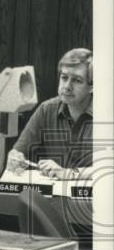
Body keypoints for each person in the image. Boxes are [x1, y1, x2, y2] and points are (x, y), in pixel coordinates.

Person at [7, 48, 94, 180]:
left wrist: (68, 174)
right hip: (54, 197)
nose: (67, 86)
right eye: (64, 77)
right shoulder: (47, 109)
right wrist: (15, 159)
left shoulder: (107, 114)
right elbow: (18, 152)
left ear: (92, 86)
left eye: (77, 80)